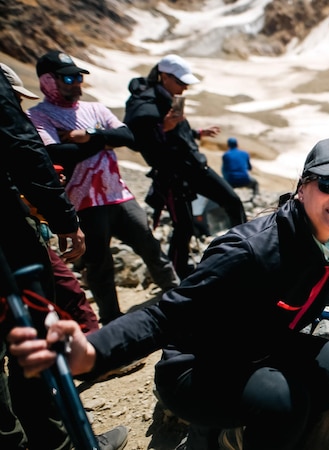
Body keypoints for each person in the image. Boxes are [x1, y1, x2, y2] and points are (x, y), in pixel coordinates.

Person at [9, 136, 329, 450]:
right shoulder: (249, 249)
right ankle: (237, 434)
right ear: (303, 185)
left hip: (262, 347)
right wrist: (92, 353)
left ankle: (251, 429)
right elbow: (166, 315)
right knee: (281, 400)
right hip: (197, 368)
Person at [0, 64, 128, 450]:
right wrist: (64, 220)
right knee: (35, 333)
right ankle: (56, 442)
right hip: (7, 235)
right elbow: (23, 148)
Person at [27, 50, 180, 325]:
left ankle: (176, 292)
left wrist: (87, 137)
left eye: (78, 77)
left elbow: (128, 136)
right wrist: (103, 142)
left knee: (148, 243)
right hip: (82, 200)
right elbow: (56, 154)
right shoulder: (39, 115)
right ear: (48, 81)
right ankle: (112, 320)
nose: (76, 83)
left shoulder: (94, 109)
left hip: (118, 194)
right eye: (68, 78)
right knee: (99, 263)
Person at [123, 54, 247, 278]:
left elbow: (178, 134)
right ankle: (179, 272)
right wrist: (164, 127)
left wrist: (198, 133)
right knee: (185, 226)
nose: (185, 88)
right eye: (181, 82)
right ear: (164, 76)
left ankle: (245, 249)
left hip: (192, 166)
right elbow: (138, 139)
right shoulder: (145, 104)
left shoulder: (167, 97)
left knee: (232, 201)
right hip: (173, 175)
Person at [222, 137, 259, 201]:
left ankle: (227, 200)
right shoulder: (245, 153)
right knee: (255, 183)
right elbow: (249, 168)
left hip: (231, 182)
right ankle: (254, 199)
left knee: (222, 184)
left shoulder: (226, 155)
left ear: (228, 145)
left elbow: (224, 170)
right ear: (237, 144)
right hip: (245, 180)